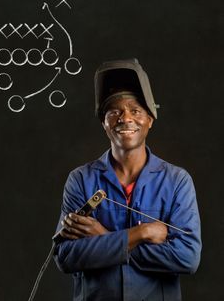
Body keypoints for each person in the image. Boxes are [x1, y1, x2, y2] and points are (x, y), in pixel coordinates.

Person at [53, 59, 201, 301]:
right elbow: (66, 256)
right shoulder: (81, 179)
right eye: (115, 111)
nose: (125, 118)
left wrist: (103, 238)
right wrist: (140, 233)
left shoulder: (177, 181)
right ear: (104, 122)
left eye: (135, 110)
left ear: (150, 119)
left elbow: (187, 257)